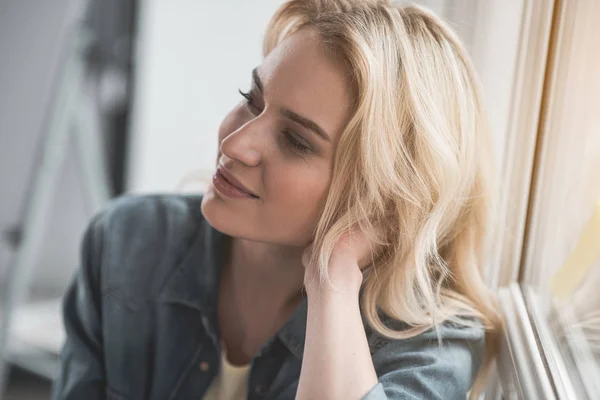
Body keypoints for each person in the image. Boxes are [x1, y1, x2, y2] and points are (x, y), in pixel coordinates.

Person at [51, 1, 501, 399]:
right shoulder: (126, 243)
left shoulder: (432, 344)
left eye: (295, 141)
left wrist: (333, 282)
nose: (233, 144)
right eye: (252, 99)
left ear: (379, 196)